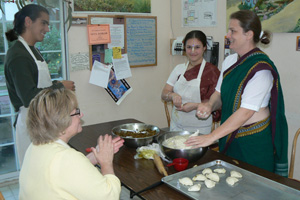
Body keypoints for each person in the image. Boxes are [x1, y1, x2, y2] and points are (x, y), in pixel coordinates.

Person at [185, 10, 288, 177]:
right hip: (229, 134)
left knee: (253, 188)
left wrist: (211, 137)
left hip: (253, 141)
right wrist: (210, 105)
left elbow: (246, 111)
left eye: (232, 31)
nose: (227, 35)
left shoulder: (261, 69)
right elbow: (218, 94)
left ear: (248, 34)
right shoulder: (230, 60)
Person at [19, 87, 124, 199]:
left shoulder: (35, 146)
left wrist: (94, 157)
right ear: (61, 121)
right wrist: (106, 162)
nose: (81, 115)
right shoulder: (67, 158)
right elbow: (110, 196)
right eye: (76, 112)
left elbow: (64, 173)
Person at [4, 4, 75, 167]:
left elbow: (38, 86)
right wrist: (59, 87)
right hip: (31, 121)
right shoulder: (18, 55)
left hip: (42, 119)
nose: (48, 29)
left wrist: (57, 85)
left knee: (46, 168)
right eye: (43, 23)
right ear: (28, 22)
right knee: (35, 169)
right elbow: (29, 97)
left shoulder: (32, 50)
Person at [161, 30, 220, 134]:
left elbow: (216, 103)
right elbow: (164, 93)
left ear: (204, 47)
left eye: (197, 47)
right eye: (189, 47)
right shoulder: (178, 69)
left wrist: (195, 105)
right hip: (176, 127)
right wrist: (172, 95)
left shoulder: (212, 72)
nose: (192, 51)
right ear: (184, 47)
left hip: (199, 130)